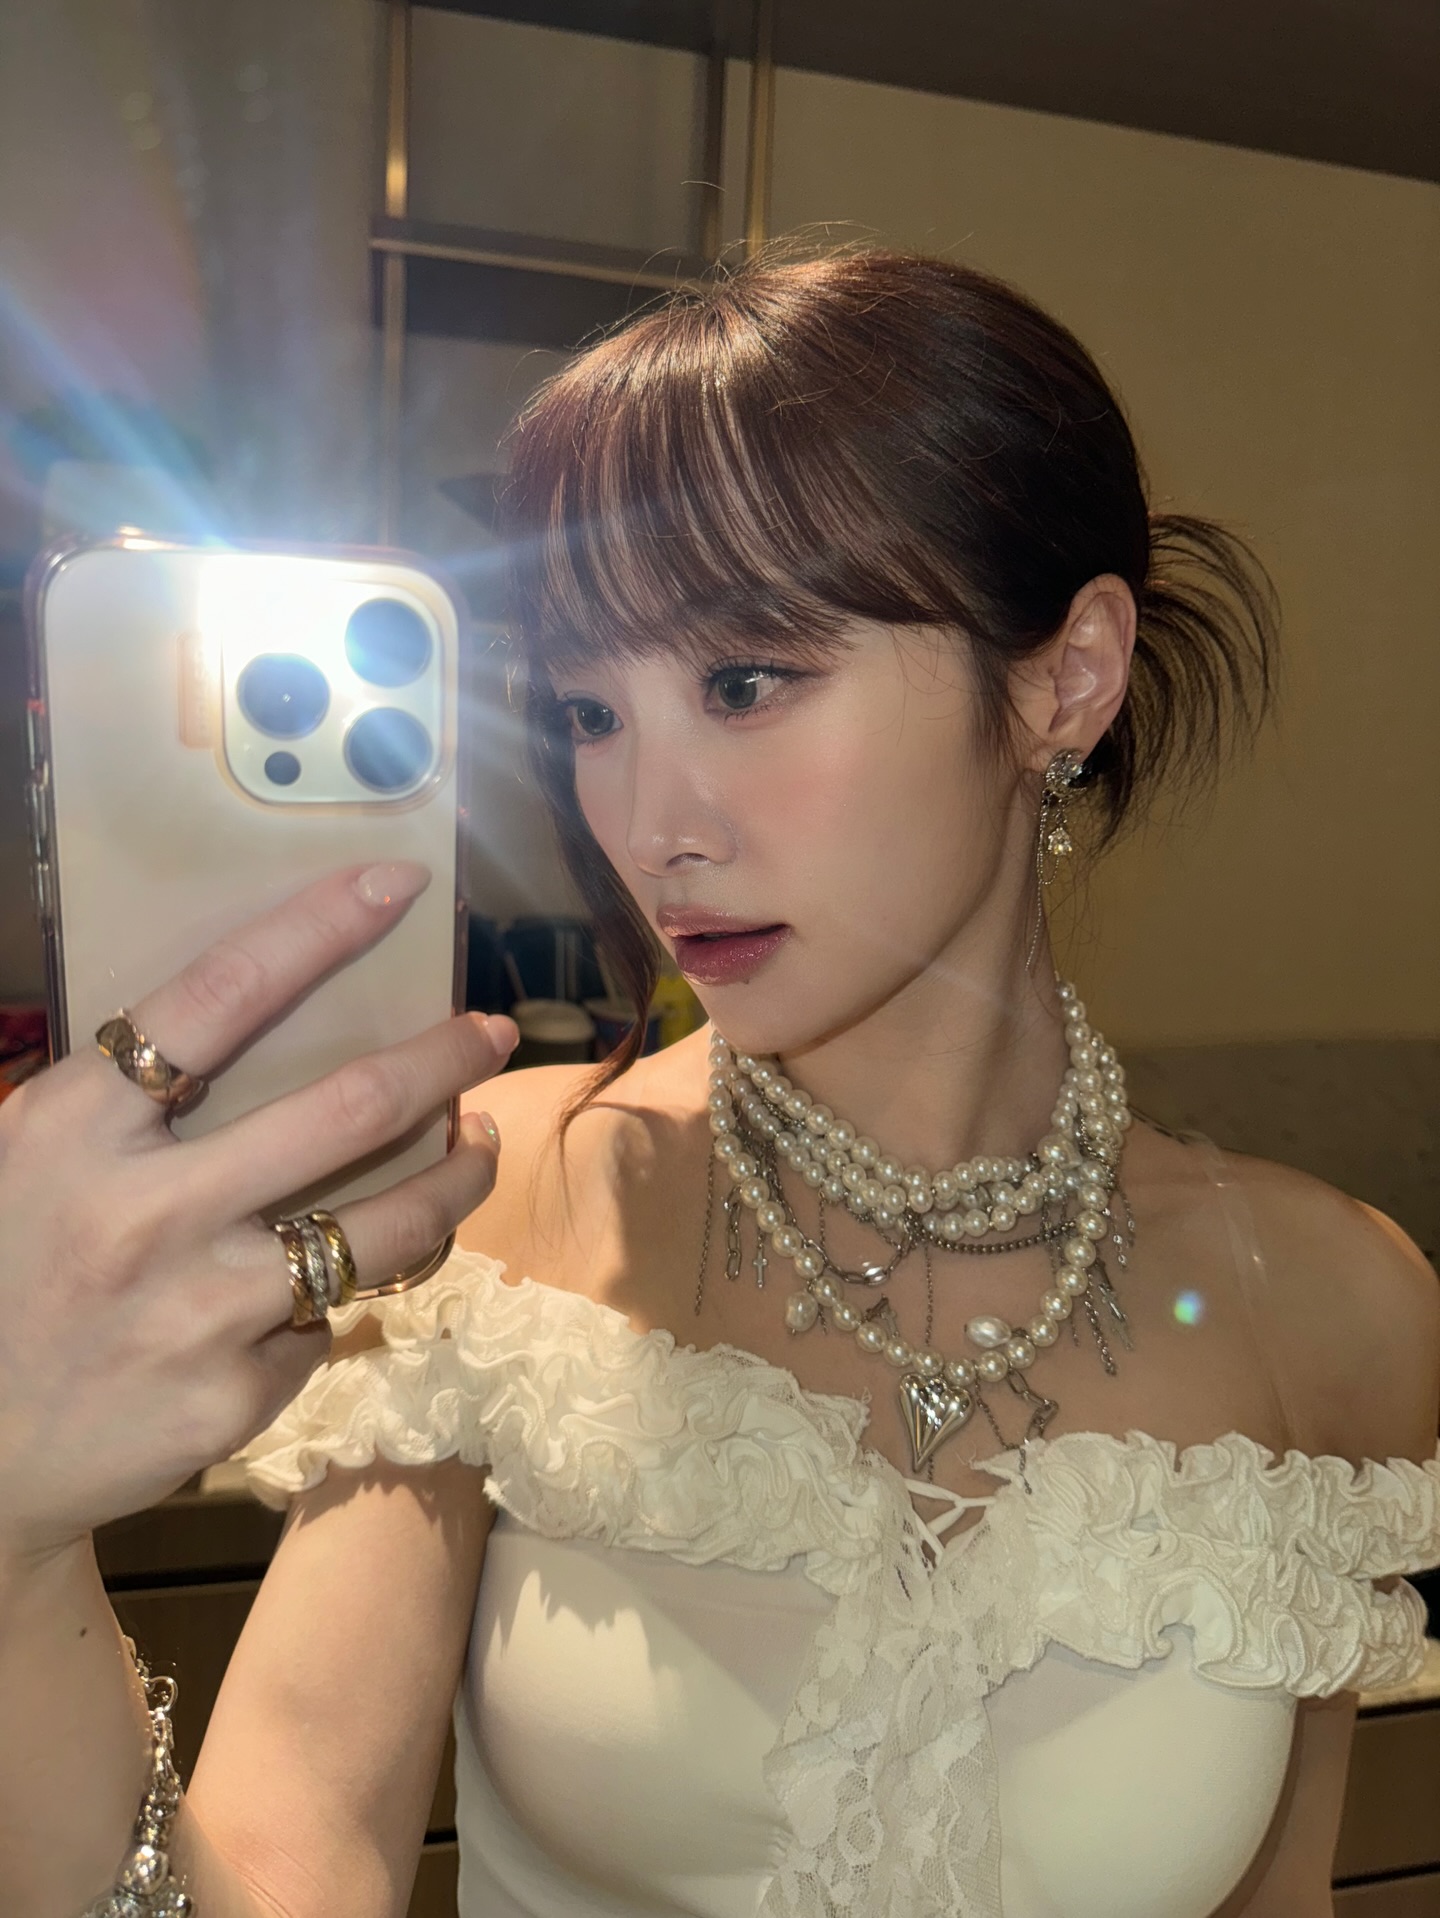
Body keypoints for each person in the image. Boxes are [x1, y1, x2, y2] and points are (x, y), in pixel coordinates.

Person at [3, 249, 1438, 1918]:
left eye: (746, 682)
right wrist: (18, 1550)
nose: (650, 825)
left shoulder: (1340, 1308)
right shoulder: (497, 1201)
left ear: (1067, 675)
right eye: (590, 710)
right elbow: (280, 1862)